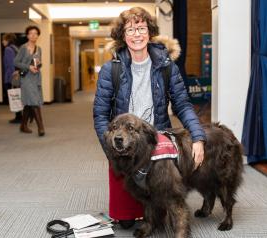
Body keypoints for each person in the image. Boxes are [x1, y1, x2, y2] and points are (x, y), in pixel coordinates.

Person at [93, 7, 206, 228]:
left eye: (142, 28)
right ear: (123, 35)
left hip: (156, 142)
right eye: (131, 29)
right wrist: (111, 150)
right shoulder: (110, 70)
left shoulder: (166, 66)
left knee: (159, 214)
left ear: (150, 32)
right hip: (123, 144)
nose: (137, 34)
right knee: (125, 221)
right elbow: (100, 115)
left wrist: (198, 137)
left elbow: (182, 104)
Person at [14, 25, 45, 136]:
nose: (33, 35)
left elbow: (38, 62)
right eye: (31, 33)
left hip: (36, 78)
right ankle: (41, 128)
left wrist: (38, 65)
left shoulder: (39, 48)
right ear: (27, 35)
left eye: (35, 33)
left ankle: (23, 125)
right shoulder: (23, 48)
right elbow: (16, 62)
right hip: (26, 78)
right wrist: (28, 67)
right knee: (35, 102)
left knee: (28, 103)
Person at [2, 33, 23, 124]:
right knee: (18, 96)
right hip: (19, 76)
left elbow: (10, 65)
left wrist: (10, 79)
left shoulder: (8, 49)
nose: (3, 41)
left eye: (4, 39)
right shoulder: (16, 48)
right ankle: (20, 115)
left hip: (12, 76)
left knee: (14, 96)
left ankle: (18, 117)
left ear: (8, 40)